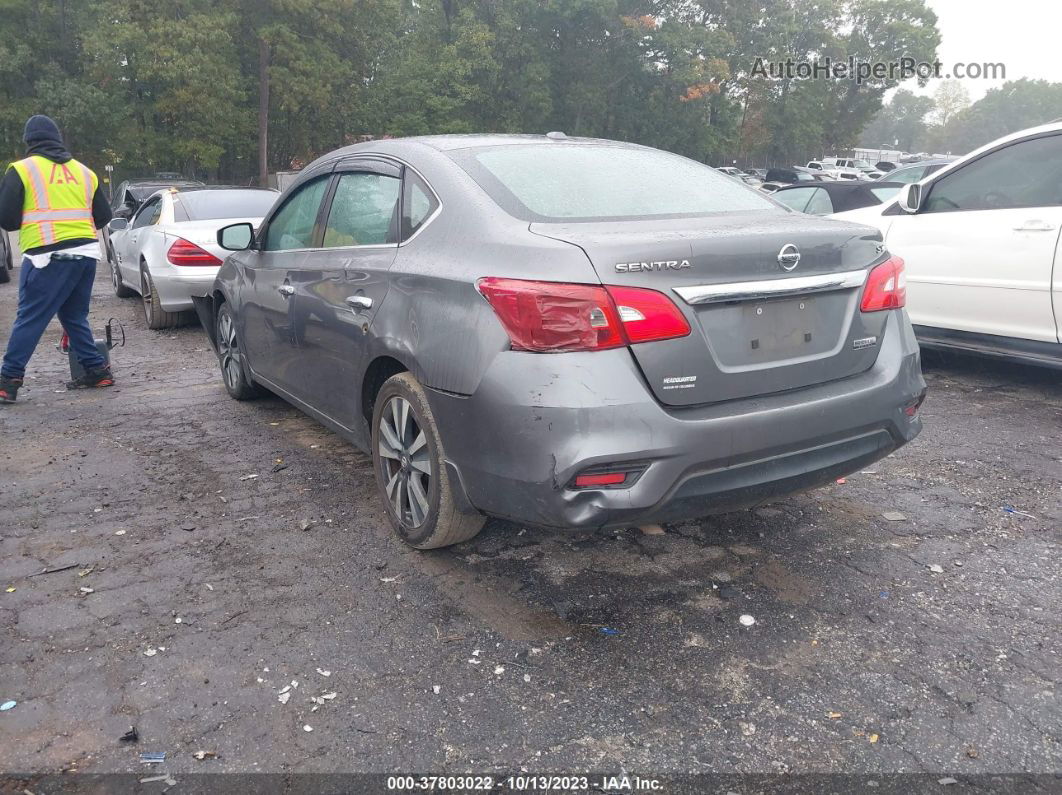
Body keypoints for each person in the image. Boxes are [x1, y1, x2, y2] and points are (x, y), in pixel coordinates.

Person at [0, 115, 114, 404]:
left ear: (29, 141)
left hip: (46, 256)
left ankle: (8, 380)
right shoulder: (85, 172)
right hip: (86, 255)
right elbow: (104, 216)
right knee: (73, 315)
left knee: (30, 318)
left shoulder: (23, 170)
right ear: (57, 139)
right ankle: (96, 369)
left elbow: (7, 220)